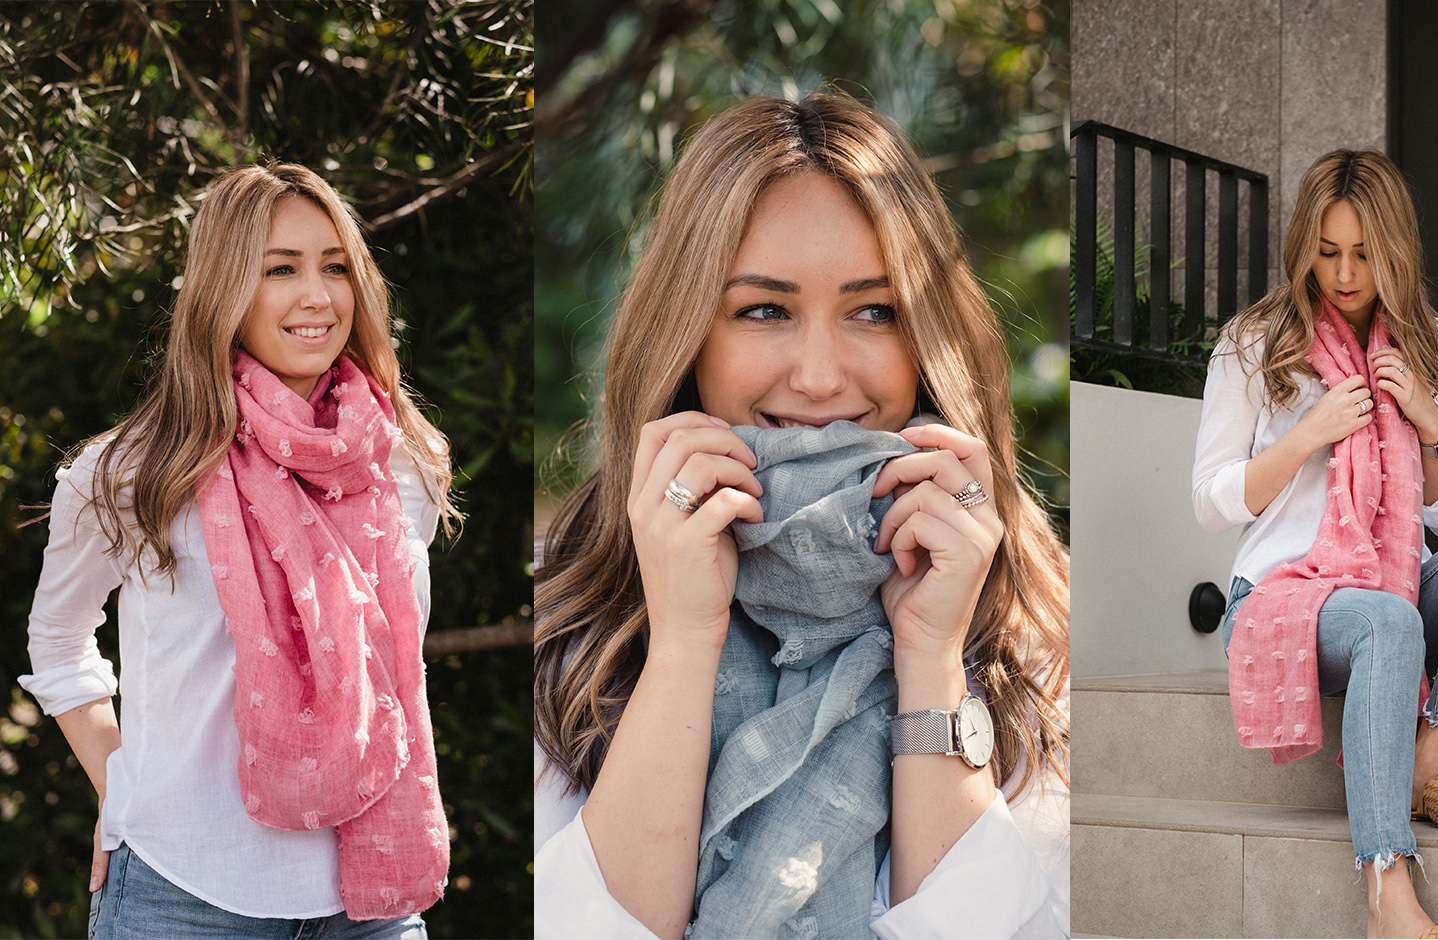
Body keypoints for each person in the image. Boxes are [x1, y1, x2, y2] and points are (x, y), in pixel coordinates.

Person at [532, 91, 1070, 939]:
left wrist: (931, 658)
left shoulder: (1033, 629)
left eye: (873, 311)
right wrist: (681, 638)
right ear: (686, 338)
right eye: (764, 310)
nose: (820, 378)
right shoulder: (569, 625)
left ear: (926, 333)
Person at [20, 163, 460, 939]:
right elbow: (58, 641)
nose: (317, 296)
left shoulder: (401, 462)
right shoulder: (131, 473)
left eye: (334, 267)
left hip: (371, 904)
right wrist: (118, 787)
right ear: (223, 289)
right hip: (181, 896)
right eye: (279, 270)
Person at [1193, 149, 1438, 939]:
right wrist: (1306, 438)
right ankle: (1388, 892)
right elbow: (1211, 501)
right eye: (1328, 252)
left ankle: (1432, 754)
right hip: (1292, 595)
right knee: (1389, 626)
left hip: (1397, 581)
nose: (1346, 272)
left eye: (1363, 253)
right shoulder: (1256, 343)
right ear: (1304, 248)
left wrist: (1429, 420)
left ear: (1395, 249)